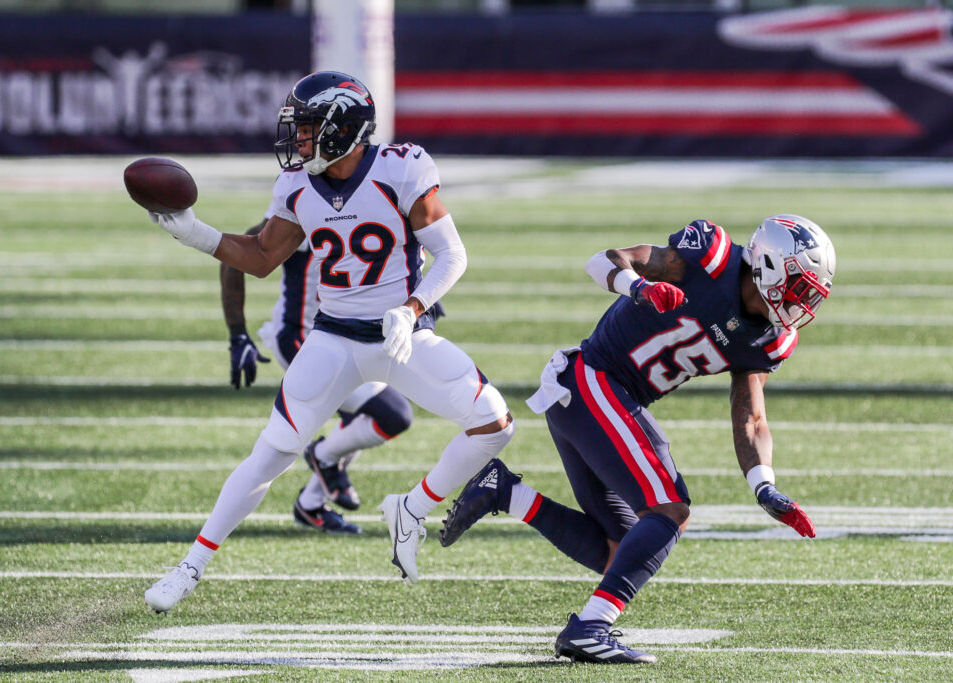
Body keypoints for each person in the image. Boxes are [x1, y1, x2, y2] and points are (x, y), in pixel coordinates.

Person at [142, 71, 514, 613]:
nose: (297, 139)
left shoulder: (401, 168)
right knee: (270, 453)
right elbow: (262, 257)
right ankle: (189, 567)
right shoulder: (296, 185)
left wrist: (411, 311)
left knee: (495, 426)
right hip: (332, 338)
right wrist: (192, 231)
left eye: (309, 127)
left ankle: (411, 507)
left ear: (344, 128)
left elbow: (452, 254)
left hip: (399, 337)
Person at [440, 215, 836, 664]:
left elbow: (751, 417)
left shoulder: (769, 338)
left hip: (594, 398)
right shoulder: (711, 259)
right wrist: (638, 287)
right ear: (767, 265)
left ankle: (507, 493)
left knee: (622, 550)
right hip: (593, 379)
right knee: (670, 508)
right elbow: (605, 260)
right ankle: (590, 628)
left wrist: (764, 486)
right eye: (800, 287)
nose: (802, 303)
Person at [222, 231, 423, 535]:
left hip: (348, 334)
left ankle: (311, 503)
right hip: (305, 339)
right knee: (393, 414)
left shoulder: (368, 193)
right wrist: (237, 332)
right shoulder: (307, 199)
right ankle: (323, 458)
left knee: (365, 416)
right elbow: (237, 253)